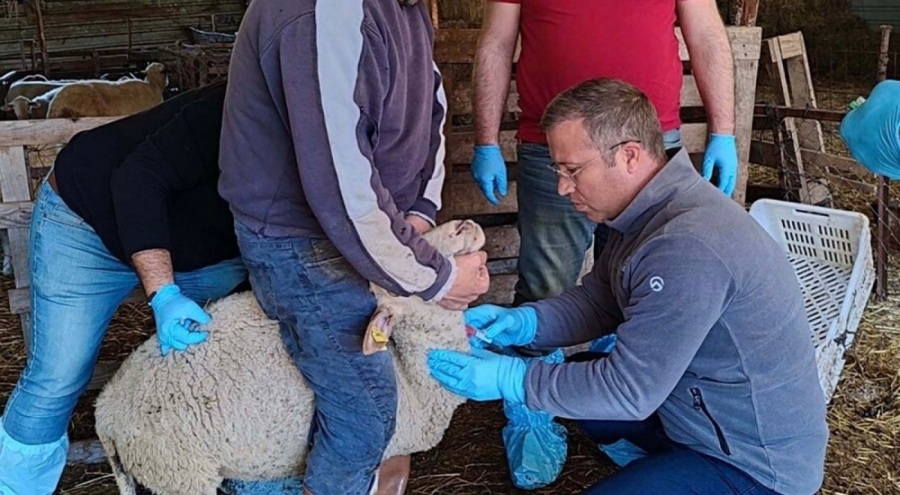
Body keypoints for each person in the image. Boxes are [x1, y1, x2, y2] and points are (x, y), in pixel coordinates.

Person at [428, 79, 829, 495]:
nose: (563, 187)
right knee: (578, 375)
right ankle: (664, 467)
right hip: (693, 414)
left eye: (572, 170)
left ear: (629, 156)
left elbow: (629, 390)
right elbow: (599, 302)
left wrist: (514, 379)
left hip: (750, 462)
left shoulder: (687, 246)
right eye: (557, 170)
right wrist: (525, 322)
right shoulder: (643, 212)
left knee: (590, 391)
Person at [217, 1, 490, 494]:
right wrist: (439, 277)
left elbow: (430, 101)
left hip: (367, 232)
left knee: (369, 389)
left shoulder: (404, 8)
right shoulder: (323, 13)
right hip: (303, 245)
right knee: (365, 411)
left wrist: (420, 210)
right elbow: (340, 183)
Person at [0, 80, 248, 495]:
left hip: (206, 251)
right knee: (58, 375)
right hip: (87, 225)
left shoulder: (340, 141)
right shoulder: (235, 106)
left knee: (220, 360)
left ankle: (206, 470)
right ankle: (16, 488)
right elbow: (137, 179)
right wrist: (164, 294)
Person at [471, 0, 738, 305]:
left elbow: (707, 36)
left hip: (645, 146)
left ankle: (624, 351)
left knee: (642, 284)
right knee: (546, 288)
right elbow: (496, 44)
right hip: (556, 150)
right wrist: (486, 141)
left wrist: (723, 132)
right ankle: (534, 351)